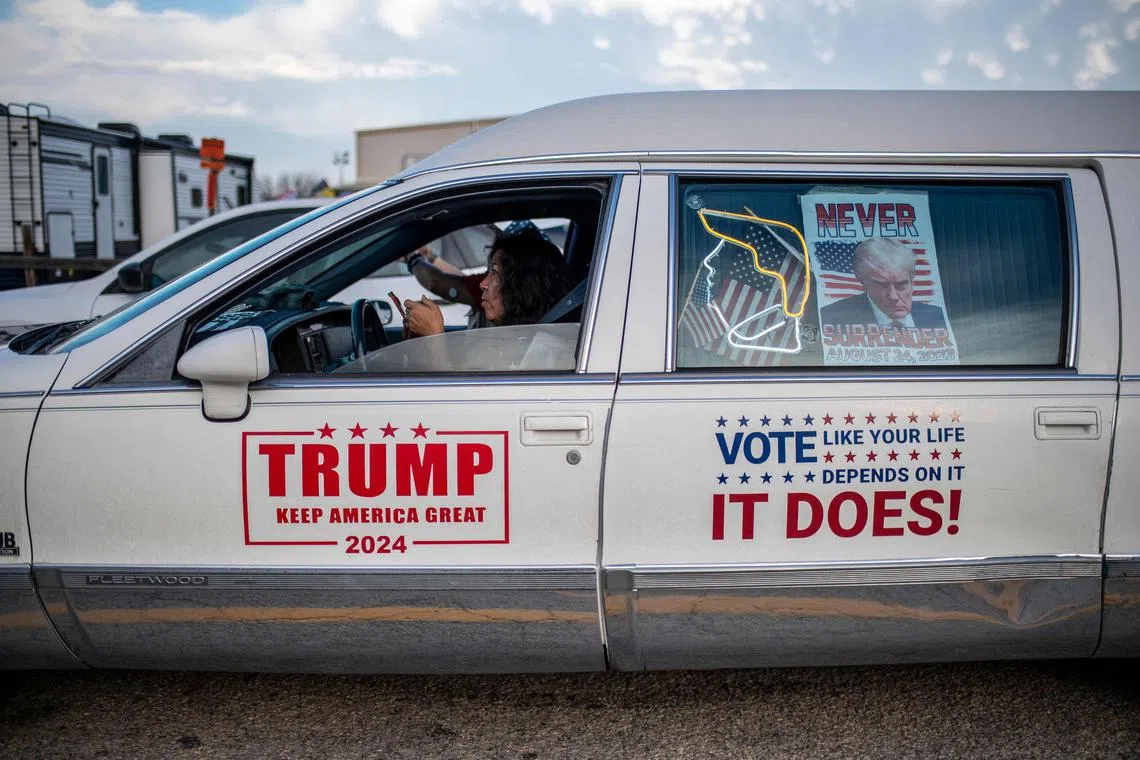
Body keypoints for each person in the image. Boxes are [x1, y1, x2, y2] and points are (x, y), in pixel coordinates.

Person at [403, 225, 573, 339]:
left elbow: (462, 393)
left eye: (495, 272)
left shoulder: (539, 351)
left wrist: (434, 337)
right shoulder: (515, 339)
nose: (482, 283)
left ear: (523, 285)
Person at [819, 237, 947, 329]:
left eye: (901, 284)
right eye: (881, 285)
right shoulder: (832, 319)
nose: (893, 296)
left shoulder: (939, 317)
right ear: (861, 280)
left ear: (912, 279)